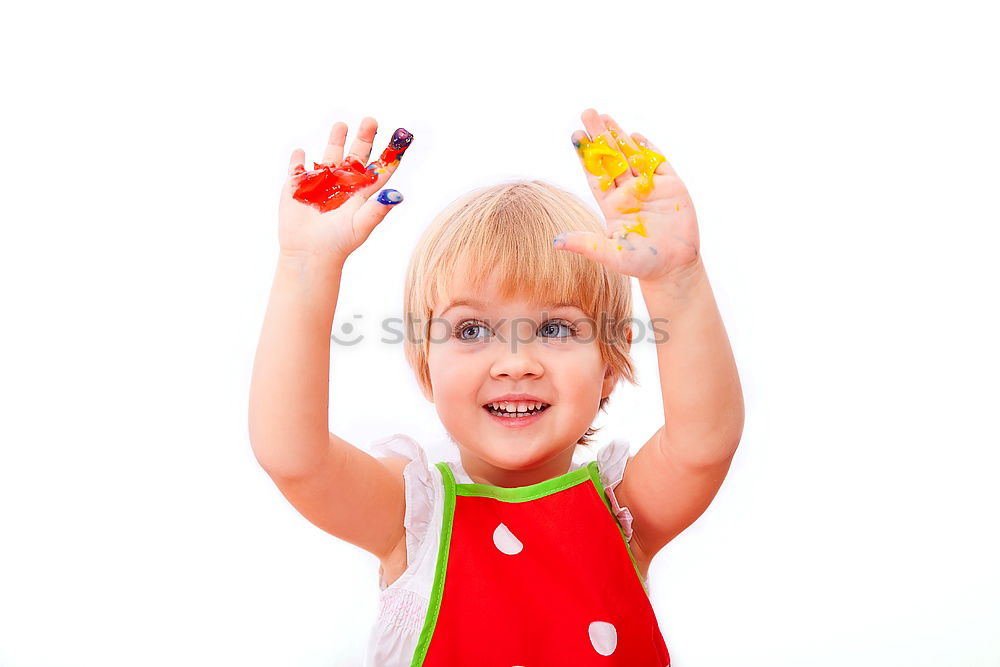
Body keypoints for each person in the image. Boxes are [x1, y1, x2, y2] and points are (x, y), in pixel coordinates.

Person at [248, 109, 744, 666]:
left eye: (555, 328)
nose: (515, 363)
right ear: (424, 366)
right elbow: (293, 457)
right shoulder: (411, 516)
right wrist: (305, 266)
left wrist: (677, 280)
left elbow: (705, 441)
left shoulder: (625, 512)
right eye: (471, 329)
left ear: (609, 363)